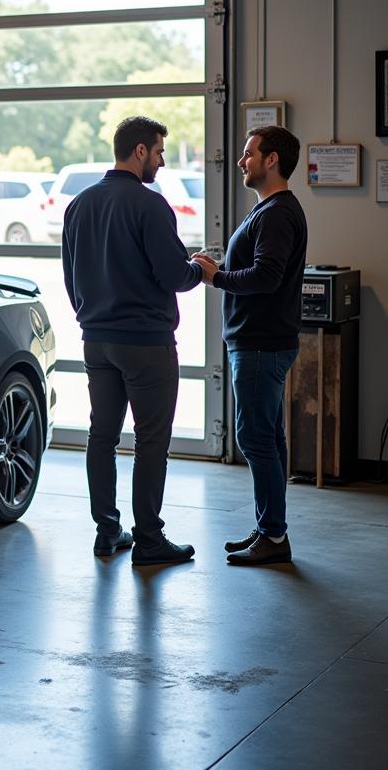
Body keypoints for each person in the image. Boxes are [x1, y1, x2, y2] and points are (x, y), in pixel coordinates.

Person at [62, 116, 204, 566]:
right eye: (159, 152)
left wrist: (91, 316)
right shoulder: (150, 205)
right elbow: (175, 275)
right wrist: (201, 267)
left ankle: (107, 532)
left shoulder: (79, 205)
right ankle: (148, 540)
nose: (162, 161)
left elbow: (70, 276)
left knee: (101, 435)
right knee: (150, 441)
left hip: (97, 340)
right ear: (139, 151)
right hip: (146, 344)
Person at [192, 125, 307, 566]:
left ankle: (273, 536)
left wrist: (215, 276)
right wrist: (220, 268)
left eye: (248, 154)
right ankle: (269, 530)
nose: (241, 161)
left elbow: (266, 276)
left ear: (271, 159)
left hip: (260, 345)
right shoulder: (270, 209)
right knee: (268, 438)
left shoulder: (276, 213)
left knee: (255, 438)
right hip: (262, 343)